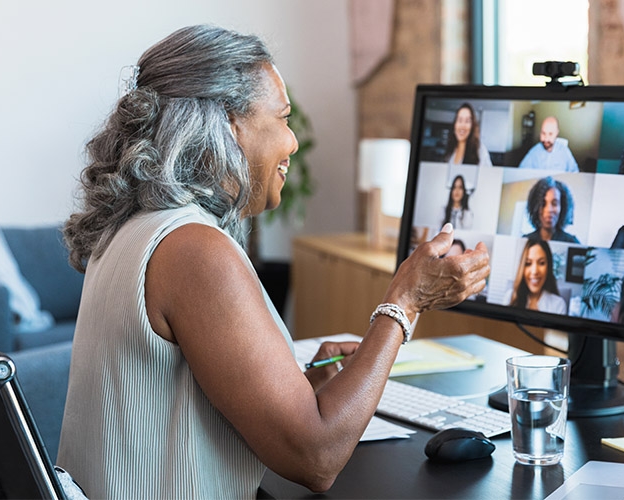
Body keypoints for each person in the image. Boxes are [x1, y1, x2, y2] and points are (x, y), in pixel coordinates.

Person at [56, 25, 490, 499]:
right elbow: (316, 458)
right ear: (227, 124)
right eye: (282, 118)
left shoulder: (135, 226)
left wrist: (302, 388)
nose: (293, 142)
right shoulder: (193, 251)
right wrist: (405, 302)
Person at [503, 239, 567, 314]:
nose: (534, 271)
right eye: (528, 263)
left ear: (548, 267)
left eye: (541, 263)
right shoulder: (509, 297)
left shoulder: (558, 305)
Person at [522, 176, 580, 243]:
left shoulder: (572, 242)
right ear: (535, 207)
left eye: (554, 203)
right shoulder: (525, 240)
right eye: (543, 204)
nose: (549, 210)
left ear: (562, 207)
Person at [444, 103, 493, 167]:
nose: (462, 125)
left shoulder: (480, 150)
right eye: (459, 120)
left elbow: (488, 175)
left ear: (472, 126)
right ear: (455, 125)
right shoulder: (451, 148)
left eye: (467, 121)